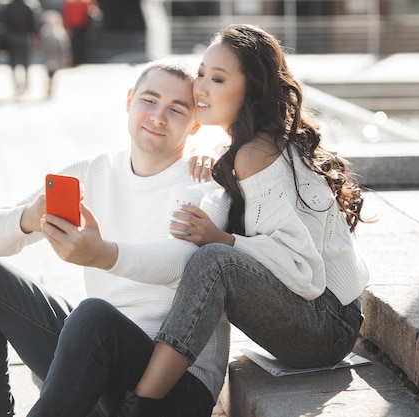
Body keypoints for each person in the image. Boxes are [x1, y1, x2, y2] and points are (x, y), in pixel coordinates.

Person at [0, 59, 230, 417]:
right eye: (149, 100)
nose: (158, 116)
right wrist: (28, 219)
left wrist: (104, 255)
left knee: (92, 316)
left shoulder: (206, 184)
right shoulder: (94, 171)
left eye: (176, 109)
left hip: (173, 390)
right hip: (93, 366)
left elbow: (184, 261)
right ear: (129, 101)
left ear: (195, 123)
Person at [113, 23, 371, 417]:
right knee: (212, 257)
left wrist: (222, 238)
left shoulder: (256, 154)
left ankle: (140, 407)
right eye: (201, 73)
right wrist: (209, 152)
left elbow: (301, 268)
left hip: (327, 326)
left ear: (250, 89)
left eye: (218, 78)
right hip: (322, 315)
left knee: (213, 261)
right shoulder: (252, 145)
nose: (201, 87)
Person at [3, 0, 43, 95]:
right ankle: (26, 81)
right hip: (24, 36)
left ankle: (15, 81)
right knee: (25, 60)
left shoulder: (8, 7)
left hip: (12, 36)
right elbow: (32, 24)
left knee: (13, 60)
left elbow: (5, 22)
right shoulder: (27, 7)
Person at [38, 10, 72, 97]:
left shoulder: (58, 34)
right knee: (50, 74)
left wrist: (65, 57)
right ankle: (49, 87)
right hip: (50, 58)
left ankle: (50, 87)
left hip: (53, 58)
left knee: (51, 74)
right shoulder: (46, 33)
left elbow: (64, 48)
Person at [61, 0, 102, 66]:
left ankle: (77, 60)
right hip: (77, 27)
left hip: (81, 27)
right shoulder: (83, 2)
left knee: (77, 45)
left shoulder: (72, 3)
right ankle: (78, 60)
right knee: (77, 45)